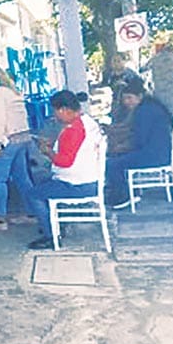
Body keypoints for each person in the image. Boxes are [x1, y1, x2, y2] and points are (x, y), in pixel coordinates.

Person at [24, 91, 104, 249]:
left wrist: (47, 151)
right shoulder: (88, 122)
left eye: (55, 110)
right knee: (43, 182)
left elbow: (63, 162)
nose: (55, 115)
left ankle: (51, 235)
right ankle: (54, 223)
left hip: (77, 184)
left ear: (64, 109)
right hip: (90, 179)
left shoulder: (73, 130)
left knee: (33, 194)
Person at [0, 64, 35, 231]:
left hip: (7, 140)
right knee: (22, 178)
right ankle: (32, 212)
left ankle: (1, 219)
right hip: (22, 138)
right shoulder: (12, 91)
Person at [105, 79, 173, 209]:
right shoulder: (149, 106)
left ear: (140, 97)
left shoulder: (145, 111)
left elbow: (139, 140)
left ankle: (122, 197)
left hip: (154, 155)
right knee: (116, 159)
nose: (126, 102)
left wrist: (121, 148)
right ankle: (128, 192)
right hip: (158, 151)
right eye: (125, 99)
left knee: (112, 164)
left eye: (130, 98)